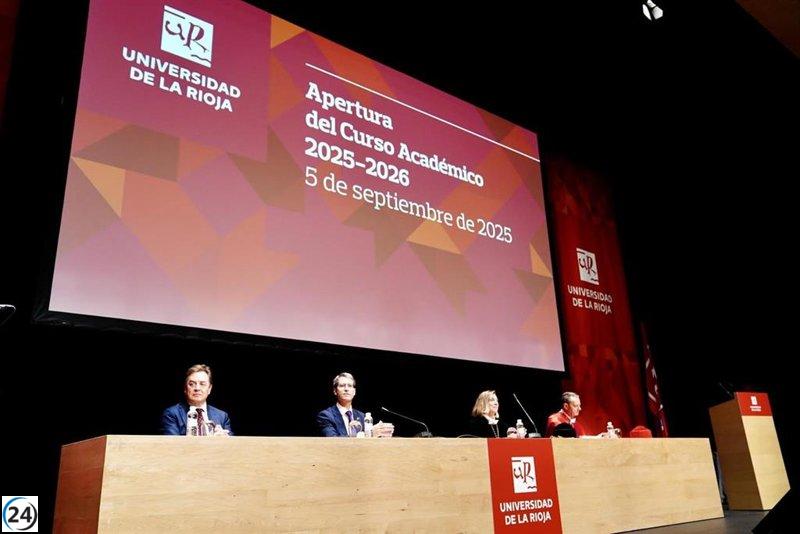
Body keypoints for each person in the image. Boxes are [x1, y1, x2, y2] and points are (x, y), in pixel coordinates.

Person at [161, 364, 232, 436]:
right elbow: (172, 444)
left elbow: (233, 445)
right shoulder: (172, 414)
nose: (197, 388)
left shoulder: (222, 416)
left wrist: (223, 440)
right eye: (191, 384)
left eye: (202, 384)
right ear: (185, 389)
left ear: (209, 389)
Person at [317, 372, 393, 437]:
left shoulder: (362, 416)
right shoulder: (326, 416)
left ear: (354, 392)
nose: (346, 389)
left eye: (350, 386)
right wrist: (370, 434)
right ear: (335, 391)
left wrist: (381, 433)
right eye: (342, 385)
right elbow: (333, 441)